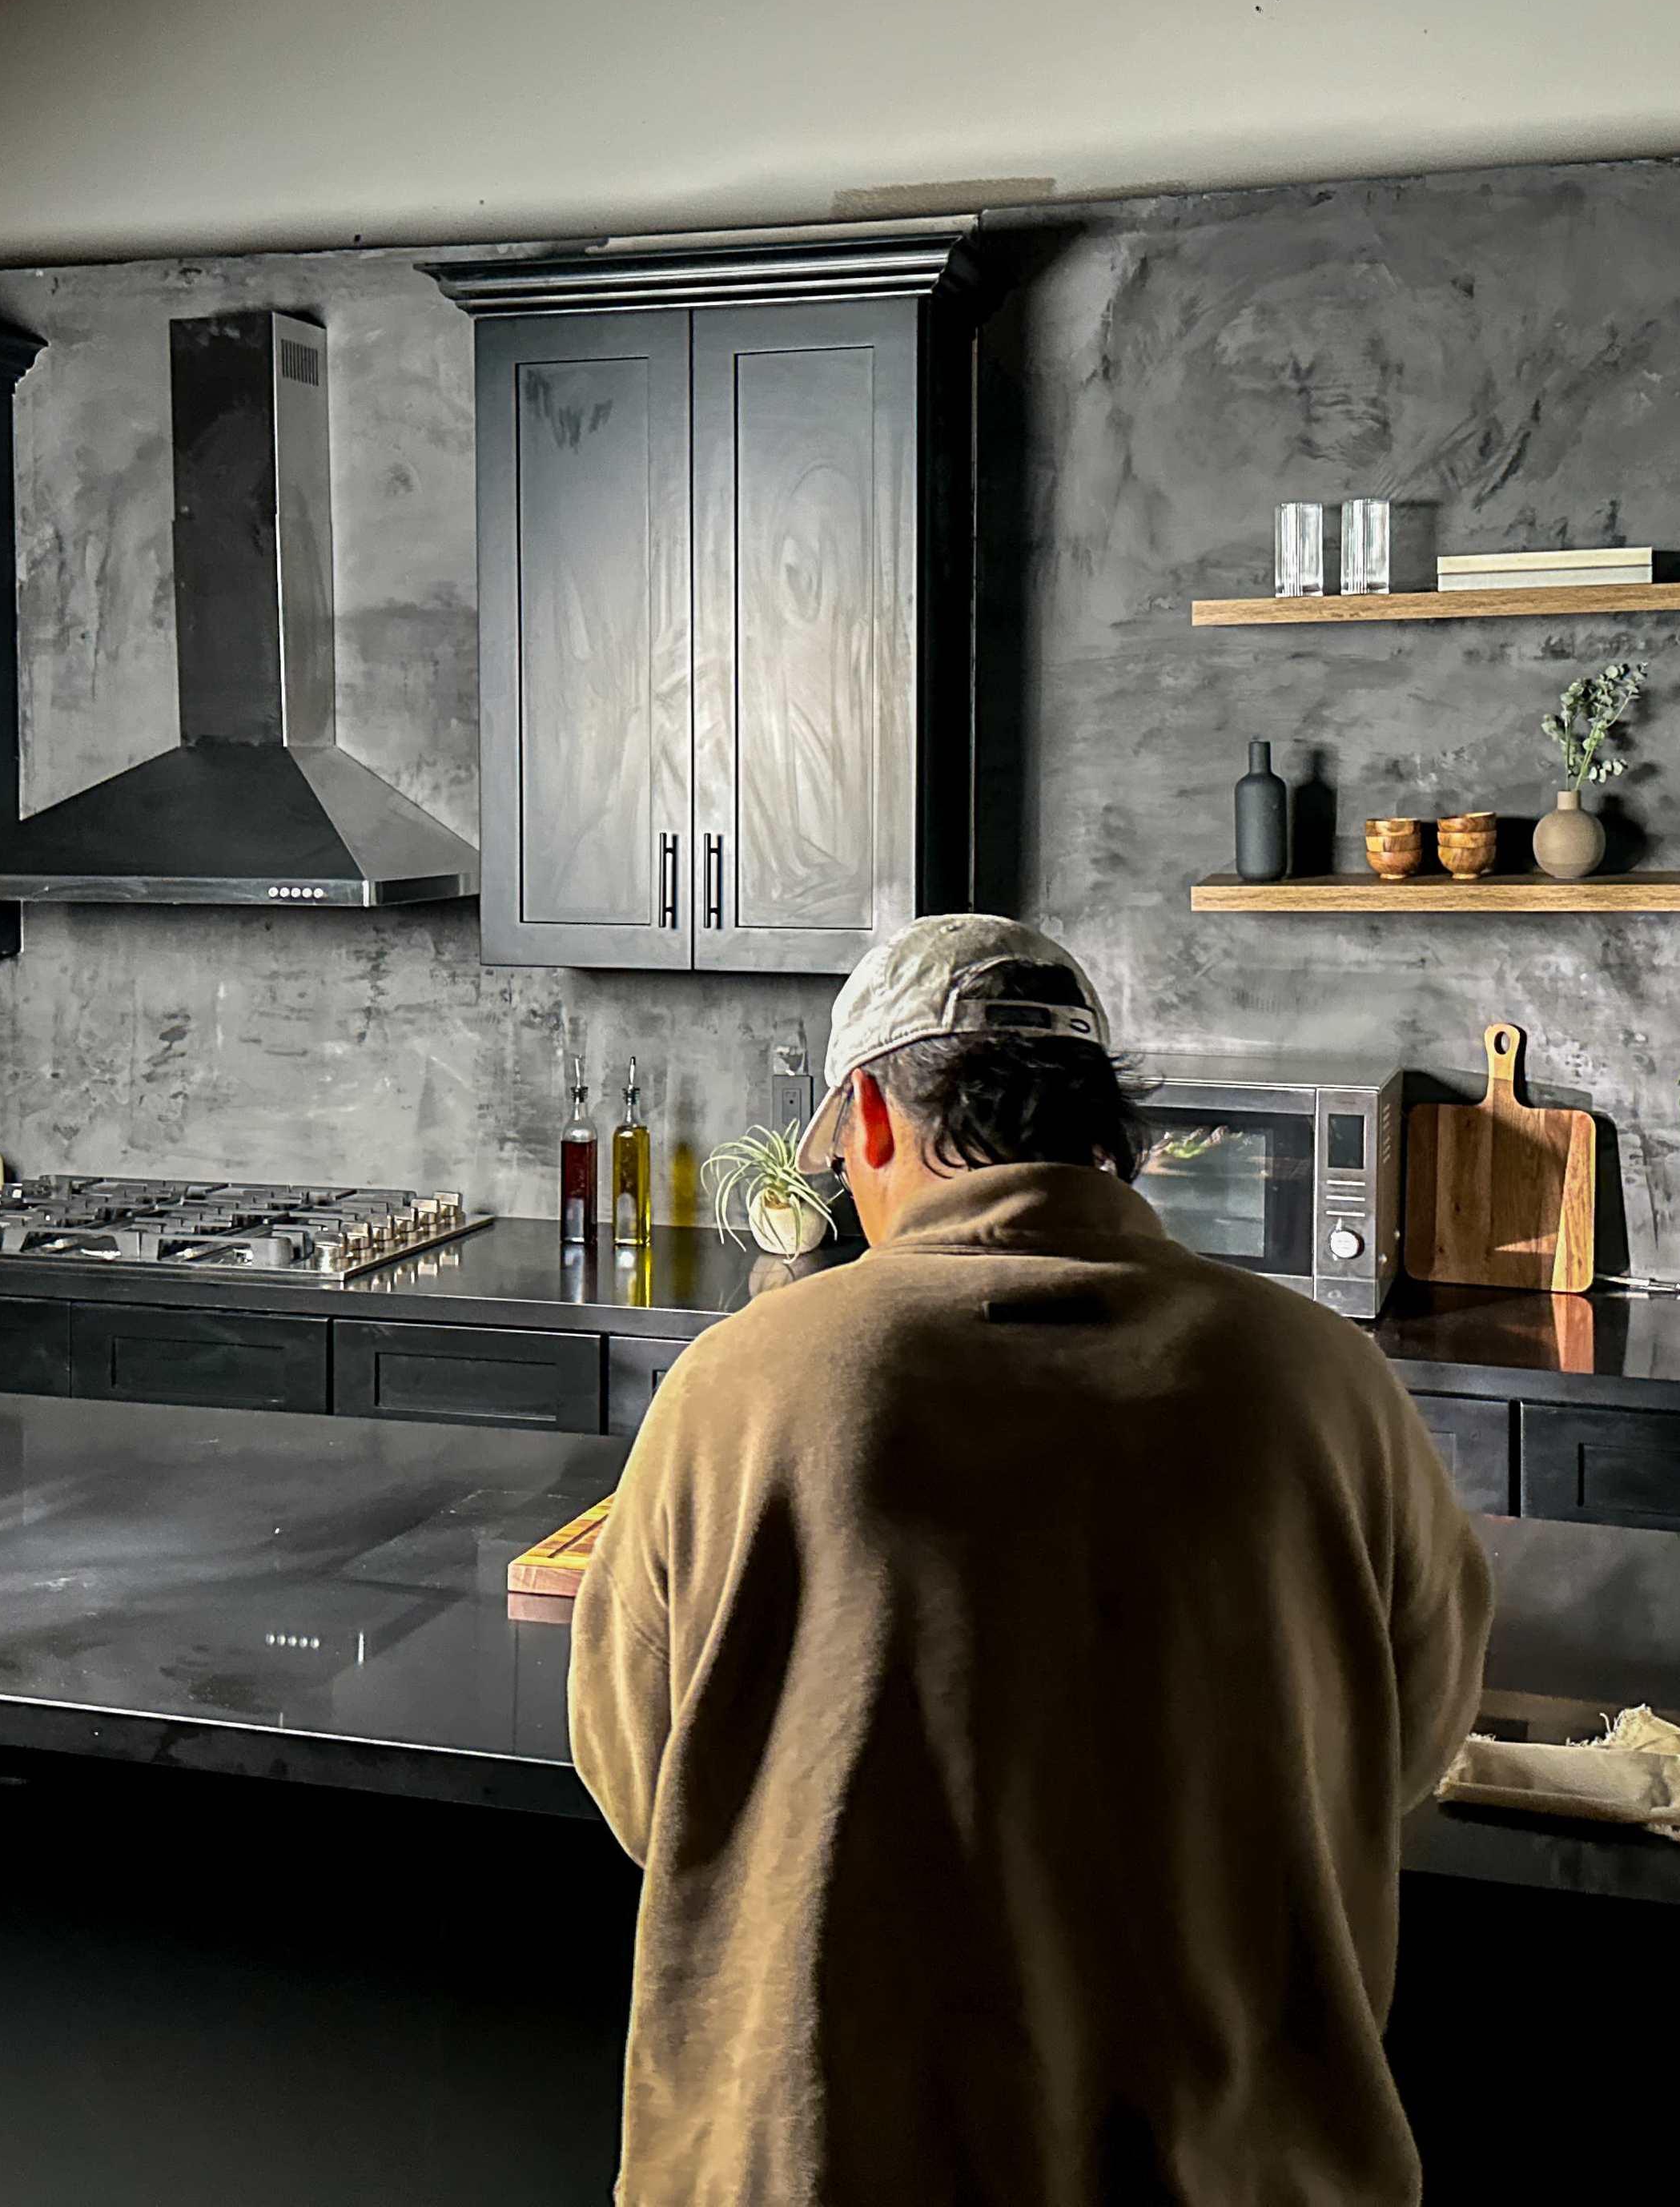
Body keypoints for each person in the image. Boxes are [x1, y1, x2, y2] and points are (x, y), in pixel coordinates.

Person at [567, 913, 1493, 2207]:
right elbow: (1411, 1733)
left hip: (824, 2164)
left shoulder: (739, 1387)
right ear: (1102, 1128)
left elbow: (640, 1776)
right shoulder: (1325, 1378)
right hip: (1236, 2167)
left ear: (873, 1126)